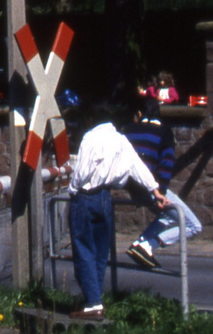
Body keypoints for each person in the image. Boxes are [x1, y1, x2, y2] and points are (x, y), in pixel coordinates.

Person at [65, 116, 168, 319]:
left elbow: (83, 170)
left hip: (86, 195)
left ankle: (93, 303)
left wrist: (73, 188)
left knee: (84, 249)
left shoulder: (91, 137)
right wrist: (154, 189)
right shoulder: (121, 140)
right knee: (101, 251)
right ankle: (94, 298)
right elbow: (137, 167)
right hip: (106, 197)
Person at [123, 96, 202, 269]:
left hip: (134, 189)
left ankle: (140, 244)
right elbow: (166, 163)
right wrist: (162, 192)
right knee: (193, 225)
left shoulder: (127, 130)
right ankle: (149, 244)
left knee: (167, 216)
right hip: (154, 189)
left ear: (139, 113)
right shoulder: (164, 132)